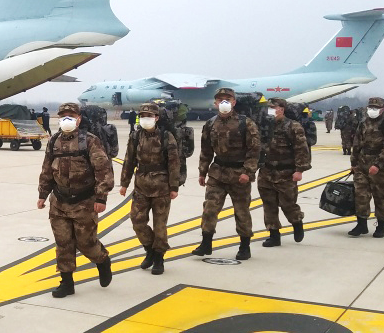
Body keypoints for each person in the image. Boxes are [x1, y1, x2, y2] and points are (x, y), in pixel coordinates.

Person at [36, 101, 114, 297]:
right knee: (63, 243)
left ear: (79, 119)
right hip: (59, 201)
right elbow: (46, 169)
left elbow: (103, 170)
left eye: (71, 115)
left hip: (84, 201)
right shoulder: (53, 141)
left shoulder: (89, 141)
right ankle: (66, 282)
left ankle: (102, 260)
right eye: (63, 115)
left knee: (86, 242)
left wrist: (101, 197)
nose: (66, 119)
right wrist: (42, 194)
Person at [194, 87, 260, 261]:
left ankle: (244, 246)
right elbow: (206, 150)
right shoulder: (210, 123)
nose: (224, 102)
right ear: (215, 103)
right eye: (220, 99)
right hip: (217, 173)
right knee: (209, 209)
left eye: (228, 99)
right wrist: (202, 171)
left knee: (241, 211)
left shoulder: (246, 123)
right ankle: (206, 244)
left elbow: (254, 151)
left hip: (239, 175)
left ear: (234, 102)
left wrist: (248, 172)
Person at [119, 103, 180, 274]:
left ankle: (159, 257)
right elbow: (129, 160)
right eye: (143, 115)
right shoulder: (136, 136)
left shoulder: (167, 137)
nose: (145, 118)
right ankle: (149, 250)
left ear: (157, 118)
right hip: (141, 185)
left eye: (149, 115)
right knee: (137, 221)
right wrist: (124, 183)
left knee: (160, 225)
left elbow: (174, 163)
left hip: (162, 186)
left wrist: (174, 186)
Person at [257, 98, 312, 247]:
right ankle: (274, 235)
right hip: (266, 171)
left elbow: (302, 149)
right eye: (269, 107)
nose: (270, 110)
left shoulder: (293, 126)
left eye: (273, 107)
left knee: (288, 204)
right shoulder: (264, 126)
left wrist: (299, 170)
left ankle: (296, 221)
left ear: (282, 109)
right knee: (269, 205)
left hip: (286, 173)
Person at [349, 97, 384, 237]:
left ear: (382, 110)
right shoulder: (363, 123)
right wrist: (354, 163)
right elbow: (357, 144)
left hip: (381, 168)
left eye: (375, 108)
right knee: (360, 196)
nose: (372, 110)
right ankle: (361, 225)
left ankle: (381, 227)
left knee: (381, 197)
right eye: (370, 107)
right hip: (362, 165)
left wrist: (378, 164)